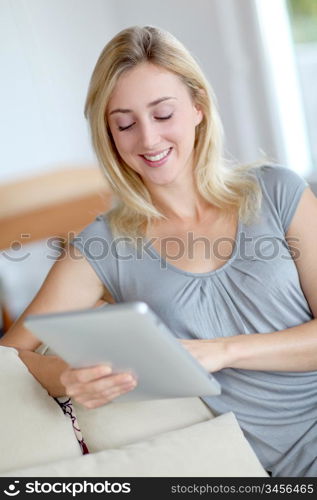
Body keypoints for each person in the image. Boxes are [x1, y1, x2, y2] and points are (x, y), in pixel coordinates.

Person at [1, 25, 317, 477]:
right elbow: (10, 354)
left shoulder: (277, 191)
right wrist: (64, 376)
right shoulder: (102, 246)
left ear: (198, 108)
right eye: (126, 124)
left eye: (163, 114)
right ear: (109, 135)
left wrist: (222, 351)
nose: (148, 140)